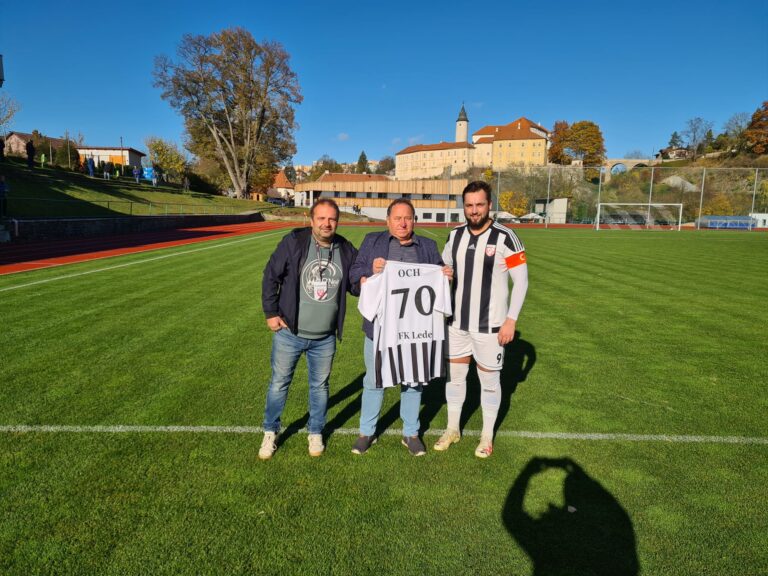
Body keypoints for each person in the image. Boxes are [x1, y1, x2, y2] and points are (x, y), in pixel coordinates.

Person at [349, 198, 452, 456]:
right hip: (380, 328)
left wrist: (446, 275)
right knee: (374, 380)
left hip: (415, 329)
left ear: (414, 220)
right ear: (388, 221)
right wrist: (370, 270)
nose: (403, 223)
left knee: (414, 380)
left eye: (408, 218)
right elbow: (354, 273)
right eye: (397, 218)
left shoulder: (427, 246)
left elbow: (437, 275)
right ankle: (366, 431)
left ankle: (411, 433)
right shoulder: (373, 241)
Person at [434, 181, 529, 458]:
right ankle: (453, 428)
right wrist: (445, 273)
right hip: (458, 324)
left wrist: (511, 320)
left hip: (491, 327)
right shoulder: (455, 236)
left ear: (489, 205)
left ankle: (487, 436)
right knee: (455, 379)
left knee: (489, 382)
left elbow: (521, 283)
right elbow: (444, 269)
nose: (474, 210)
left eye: (479, 204)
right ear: (464, 207)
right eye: (469, 205)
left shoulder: (506, 237)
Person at [259, 198, 359, 460]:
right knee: (279, 384)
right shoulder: (294, 241)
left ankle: (315, 431)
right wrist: (271, 313)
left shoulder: (345, 248)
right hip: (290, 333)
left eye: (332, 219)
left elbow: (356, 284)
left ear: (338, 221)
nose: (327, 224)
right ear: (311, 219)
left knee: (320, 386)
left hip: (324, 338)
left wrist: (375, 276)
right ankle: (271, 431)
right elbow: (271, 275)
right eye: (322, 218)